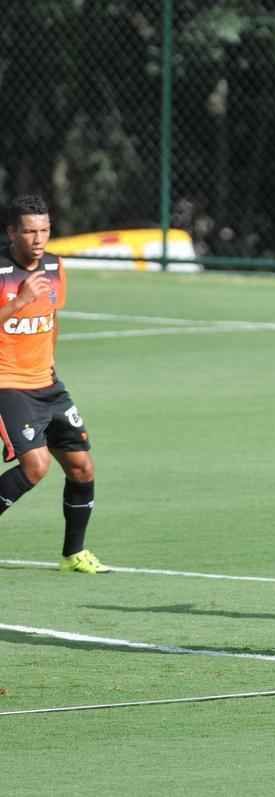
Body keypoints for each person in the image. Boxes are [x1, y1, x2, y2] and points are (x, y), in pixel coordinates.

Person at [0, 194, 106, 573]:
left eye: (44, 229)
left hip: (48, 384)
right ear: (12, 232)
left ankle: (73, 554)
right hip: (7, 385)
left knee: (82, 468)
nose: (39, 238)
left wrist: (51, 364)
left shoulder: (55, 267)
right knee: (36, 466)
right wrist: (18, 301)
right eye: (29, 231)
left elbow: (52, 319)